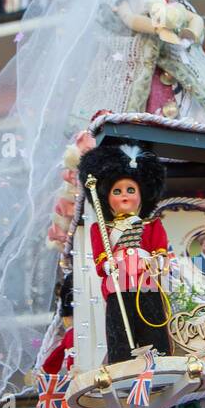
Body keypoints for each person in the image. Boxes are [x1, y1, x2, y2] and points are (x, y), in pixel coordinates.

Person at [80, 141, 172, 365]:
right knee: (119, 326)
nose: (124, 196)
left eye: (130, 190)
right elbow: (101, 257)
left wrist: (157, 261)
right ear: (108, 198)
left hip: (145, 282)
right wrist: (107, 265)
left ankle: (158, 357)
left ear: (141, 195)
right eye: (117, 191)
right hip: (118, 285)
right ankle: (121, 360)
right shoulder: (101, 229)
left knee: (151, 321)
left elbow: (160, 249)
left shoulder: (151, 225)